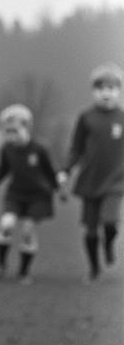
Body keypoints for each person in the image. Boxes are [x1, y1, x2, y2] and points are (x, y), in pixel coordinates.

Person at [0, 104, 64, 285]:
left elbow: (52, 171)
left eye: (14, 131)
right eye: (7, 132)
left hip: (38, 196)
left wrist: (60, 188)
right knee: (6, 224)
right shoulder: (8, 149)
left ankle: (24, 272)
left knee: (27, 230)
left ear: (26, 127)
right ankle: (0, 264)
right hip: (16, 194)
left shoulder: (40, 149)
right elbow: (2, 169)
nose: (10, 136)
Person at [59, 62, 124, 283]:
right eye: (101, 88)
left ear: (118, 91)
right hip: (90, 180)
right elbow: (76, 148)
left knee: (110, 222)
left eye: (111, 88)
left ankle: (109, 243)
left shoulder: (122, 117)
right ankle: (94, 267)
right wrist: (66, 170)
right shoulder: (86, 117)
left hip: (117, 180)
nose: (106, 93)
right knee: (90, 230)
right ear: (94, 91)